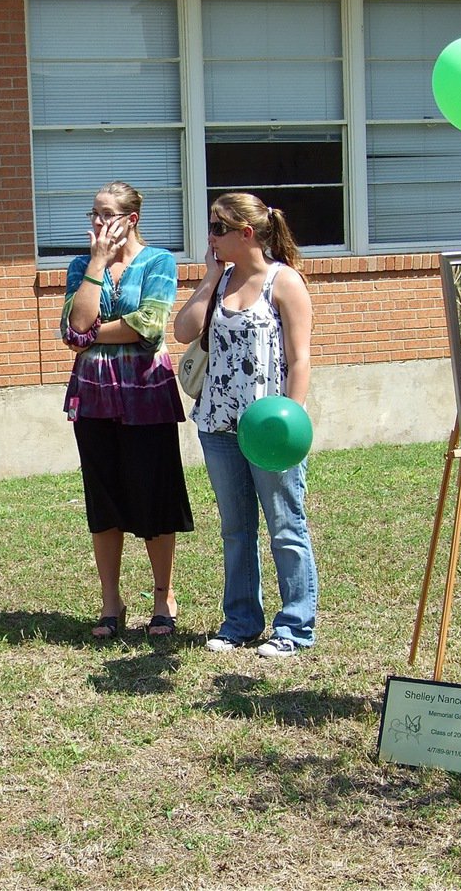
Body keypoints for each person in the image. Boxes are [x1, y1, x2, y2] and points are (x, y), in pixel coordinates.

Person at [174, 193, 319, 659]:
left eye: (218, 228)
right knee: (236, 529)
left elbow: (300, 360)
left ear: (246, 233)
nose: (210, 236)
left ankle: (294, 625)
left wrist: (288, 424)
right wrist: (211, 278)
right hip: (217, 423)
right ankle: (240, 620)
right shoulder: (221, 280)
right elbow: (183, 330)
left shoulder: (284, 281)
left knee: (285, 525)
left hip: (268, 429)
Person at [61, 181, 193, 639]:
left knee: (153, 495)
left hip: (146, 395)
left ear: (130, 219)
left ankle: (163, 597)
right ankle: (110, 600)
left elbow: (150, 326)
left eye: (105, 215)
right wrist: (97, 264)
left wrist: (90, 332)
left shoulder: (159, 262)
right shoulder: (81, 265)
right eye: (92, 214)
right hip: (94, 397)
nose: (97, 223)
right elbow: (71, 329)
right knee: (105, 500)